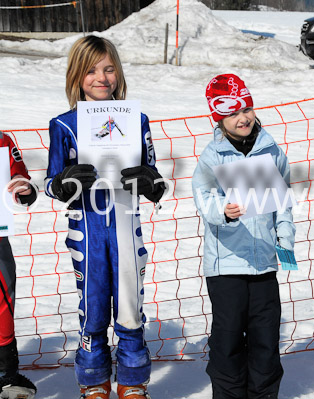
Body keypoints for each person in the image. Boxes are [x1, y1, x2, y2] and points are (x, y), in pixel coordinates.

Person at [45, 35, 166, 399]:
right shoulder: (64, 124)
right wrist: (65, 183)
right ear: (77, 76)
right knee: (94, 307)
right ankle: (94, 379)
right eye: (92, 70)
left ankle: (133, 379)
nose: (102, 77)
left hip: (127, 227)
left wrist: (150, 181)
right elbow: (50, 181)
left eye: (109, 69)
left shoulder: (137, 119)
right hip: (88, 228)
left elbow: (154, 176)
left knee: (130, 307)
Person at [192, 74, 295, 399]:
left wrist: (285, 240)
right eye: (233, 112)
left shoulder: (271, 150)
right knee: (228, 339)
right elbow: (202, 197)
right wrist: (223, 209)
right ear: (219, 117)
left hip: (264, 263)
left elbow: (283, 202)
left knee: (266, 339)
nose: (243, 117)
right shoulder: (213, 156)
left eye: (246, 108)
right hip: (226, 266)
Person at [0, 132, 38, 399]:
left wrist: (24, 189)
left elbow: (21, 182)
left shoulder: (2, 141)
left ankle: (5, 376)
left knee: (2, 303)